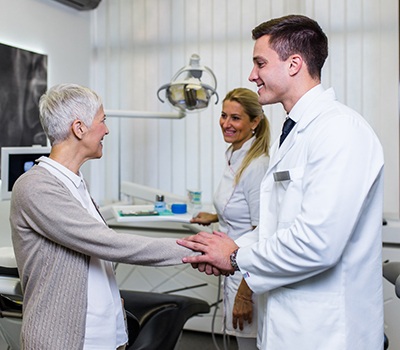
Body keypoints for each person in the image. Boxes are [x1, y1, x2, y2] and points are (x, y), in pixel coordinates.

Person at [177, 14, 385, 350]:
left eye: (260, 63)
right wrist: (227, 250)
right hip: (285, 326)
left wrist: (235, 258)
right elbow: (275, 226)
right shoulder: (290, 136)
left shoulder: (341, 131)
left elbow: (318, 242)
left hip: (328, 333)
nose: (251, 75)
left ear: (294, 64)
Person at [9, 83, 198, 350]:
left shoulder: (74, 183)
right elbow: (106, 243)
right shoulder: (36, 186)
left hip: (104, 336)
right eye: (102, 121)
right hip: (62, 340)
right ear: (79, 128)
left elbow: (93, 261)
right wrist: (195, 249)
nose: (106, 130)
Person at [190, 88, 270, 349]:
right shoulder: (234, 156)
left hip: (248, 275)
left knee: (248, 343)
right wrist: (215, 215)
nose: (226, 123)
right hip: (233, 266)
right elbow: (243, 207)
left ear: (254, 122)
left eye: (235, 118)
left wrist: (245, 293)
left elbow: (264, 232)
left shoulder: (257, 165)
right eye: (223, 115)